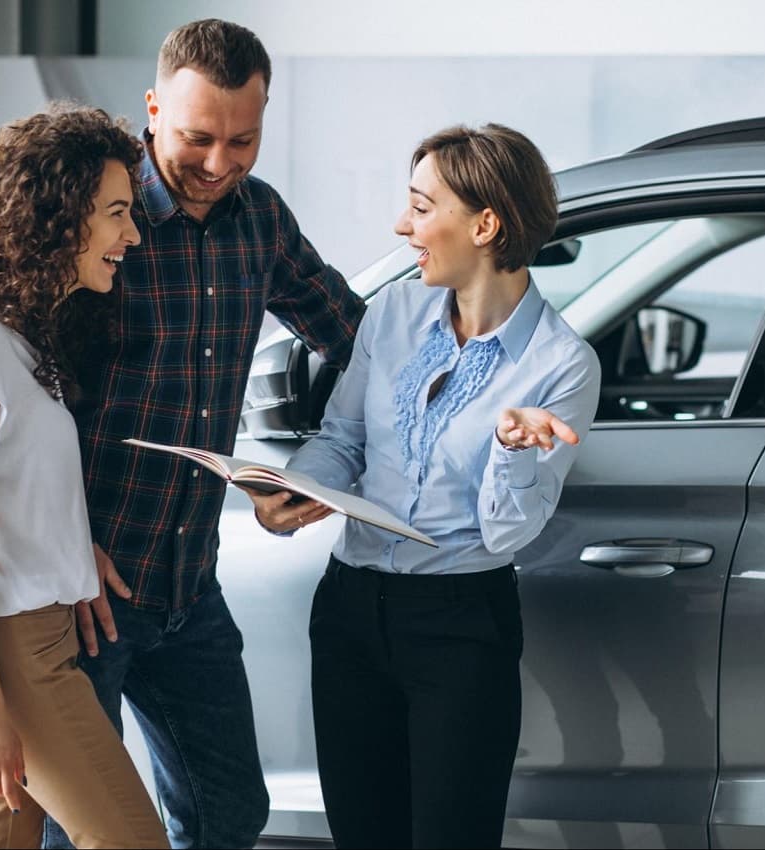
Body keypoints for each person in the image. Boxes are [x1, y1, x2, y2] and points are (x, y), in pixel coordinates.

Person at [41, 18, 366, 850]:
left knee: (230, 816)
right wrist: (64, 543)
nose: (219, 165)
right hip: (85, 595)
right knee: (77, 829)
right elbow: (21, 402)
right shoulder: (95, 223)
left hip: (191, 588)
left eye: (243, 140)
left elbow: (356, 338)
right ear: (152, 111)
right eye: (196, 138)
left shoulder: (260, 220)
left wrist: (330, 464)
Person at [248, 124, 602, 849]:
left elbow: (508, 534)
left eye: (419, 206)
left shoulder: (564, 365)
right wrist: (295, 491)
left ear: (485, 224)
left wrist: (512, 451)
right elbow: (344, 440)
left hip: (458, 628)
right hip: (348, 612)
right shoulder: (394, 314)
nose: (402, 225)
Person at [0, 104, 168, 849]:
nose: (132, 235)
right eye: (117, 213)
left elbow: (8, 497)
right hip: (5, 653)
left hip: (11, 642)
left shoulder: (19, 339)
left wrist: (71, 551)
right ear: (57, 216)